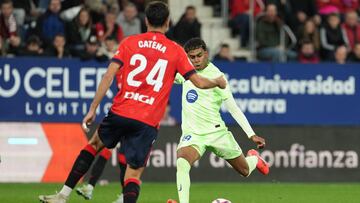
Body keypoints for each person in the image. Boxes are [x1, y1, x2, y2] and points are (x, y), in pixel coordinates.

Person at [38, 2, 226, 203]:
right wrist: (217, 81)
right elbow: (198, 82)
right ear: (168, 22)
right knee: (133, 176)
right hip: (146, 121)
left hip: (120, 111)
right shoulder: (176, 50)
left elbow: (109, 75)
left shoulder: (130, 42)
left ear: (145, 21)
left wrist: (92, 109)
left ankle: (62, 196)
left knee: (93, 145)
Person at [169, 38, 269, 203]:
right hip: (193, 134)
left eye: (199, 56)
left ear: (206, 53)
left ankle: (255, 159)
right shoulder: (186, 72)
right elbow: (166, 76)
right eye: (191, 57)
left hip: (217, 133)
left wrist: (251, 135)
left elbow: (233, 108)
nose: (196, 60)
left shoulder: (218, 76)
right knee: (182, 162)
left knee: (244, 170)